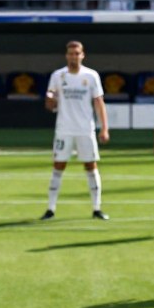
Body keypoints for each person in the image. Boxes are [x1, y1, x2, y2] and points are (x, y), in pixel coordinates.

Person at [40, 41, 110, 221]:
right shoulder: (58, 76)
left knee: (90, 166)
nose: (74, 56)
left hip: (85, 129)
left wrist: (104, 127)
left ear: (82, 55)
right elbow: (50, 102)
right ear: (66, 56)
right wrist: (50, 101)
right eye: (71, 53)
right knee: (58, 166)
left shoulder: (91, 76)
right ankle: (50, 209)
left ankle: (96, 208)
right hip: (64, 129)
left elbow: (98, 102)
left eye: (77, 53)